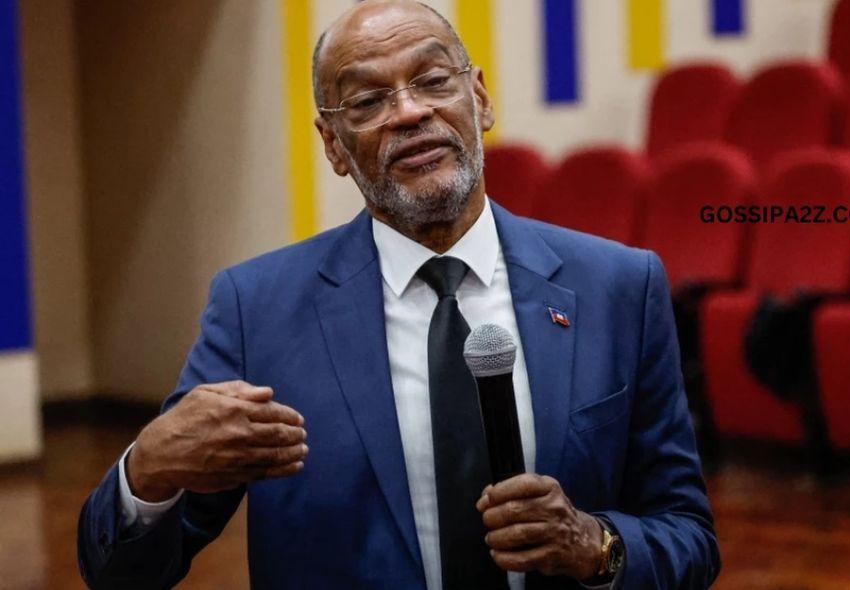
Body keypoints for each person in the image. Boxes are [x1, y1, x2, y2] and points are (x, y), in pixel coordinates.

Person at [77, 1, 720, 588]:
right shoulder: (256, 311)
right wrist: (146, 473)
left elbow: (688, 536)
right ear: (333, 146)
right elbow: (122, 574)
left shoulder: (618, 287)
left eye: (434, 81)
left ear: (481, 98)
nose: (410, 112)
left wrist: (595, 545)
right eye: (366, 101)